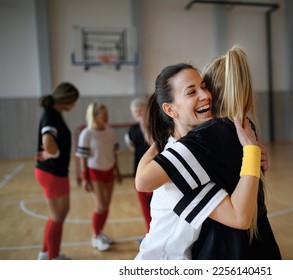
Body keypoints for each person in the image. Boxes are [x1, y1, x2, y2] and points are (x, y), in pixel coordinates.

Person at [136, 45, 281, 259]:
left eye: (204, 87)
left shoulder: (198, 145)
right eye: (192, 92)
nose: (205, 95)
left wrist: (255, 158)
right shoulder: (184, 157)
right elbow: (142, 182)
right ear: (170, 109)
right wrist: (251, 153)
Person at [35, 82, 79, 260]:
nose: (74, 105)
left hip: (54, 172)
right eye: (74, 101)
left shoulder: (54, 114)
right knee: (57, 215)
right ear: (67, 99)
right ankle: (52, 259)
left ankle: (45, 254)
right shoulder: (50, 116)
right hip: (52, 173)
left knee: (57, 214)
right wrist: (53, 153)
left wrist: (52, 153)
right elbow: (48, 142)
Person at [76, 102, 122, 251]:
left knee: (106, 205)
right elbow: (82, 158)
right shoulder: (86, 134)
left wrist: (118, 171)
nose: (107, 116)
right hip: (94, 172)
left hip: (109, 171)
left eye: (107, 113)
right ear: (94, 116)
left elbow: (114, 153)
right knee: (100, 205)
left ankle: (100, 233)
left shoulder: (110, 131)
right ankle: (95, 237)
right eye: (104, 114)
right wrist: (85, 178)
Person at [124, 97, 152, 236]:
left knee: (154, 203)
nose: (138, 113)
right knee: (144, 205)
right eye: (135, 111)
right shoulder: (132, 129)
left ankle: (155, 231)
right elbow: (131, 146)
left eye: (140, 109)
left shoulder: (153, 126)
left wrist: (145, 126)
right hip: (138, 170)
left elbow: (153, 143)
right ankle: (149, 232)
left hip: (154, 170)